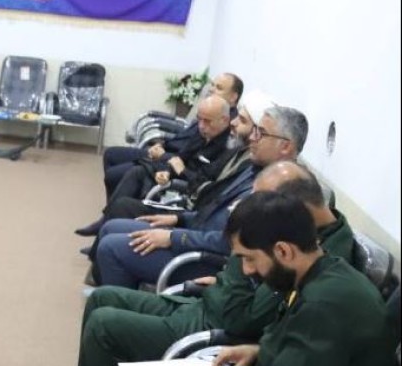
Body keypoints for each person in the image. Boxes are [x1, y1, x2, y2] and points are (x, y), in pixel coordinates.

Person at [67, 161, 357, 366]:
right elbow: (279, 331)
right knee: (104, 306)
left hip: (218, 330)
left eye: (260, 203)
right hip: (222, 322)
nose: (253, 210)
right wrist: (259, 350)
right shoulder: (309, 257)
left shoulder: (314, 275)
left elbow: (241, 318)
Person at [105, 191, 398, 366]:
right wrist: (260, 351)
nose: (246, 271)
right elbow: (312, 360)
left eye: (249, 259)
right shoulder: (325, 272)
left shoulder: (324, 305)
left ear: (283, 251)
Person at [90, 101, 309, 289]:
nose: (252, 137)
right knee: (111, 227)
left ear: (285, 146)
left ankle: (119, 307)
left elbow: (232, 243)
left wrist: (173, 237)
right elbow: (216, 207)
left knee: (111, 248)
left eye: (261, 133)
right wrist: (178, 219)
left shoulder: (282, 187)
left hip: (208, 260)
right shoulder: (254, 168)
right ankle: (119, 296)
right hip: (196, 234)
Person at [76, 95, 232, 237]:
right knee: (136, 172)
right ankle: (106, 220)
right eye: (199, 119)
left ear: (224, 120)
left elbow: (204, 186)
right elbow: (180, 157)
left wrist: (181, 171)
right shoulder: (202, 133)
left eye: (207, 121)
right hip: (173, 173)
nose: (202, 126)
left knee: (121, 200)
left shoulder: (227, 149)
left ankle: (107, 222)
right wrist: (168, 172)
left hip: (187, 193)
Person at [90, 72, 242, 209]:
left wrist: (165, 157)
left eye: (219, 88)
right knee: (111, 155)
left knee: (118, 174)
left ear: (233, 97)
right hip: (170, 156)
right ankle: (113, 209)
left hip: (171, 161)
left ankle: (113, 211)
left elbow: (197, 169)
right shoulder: (207, 114)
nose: (212, 89)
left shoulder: (223, 127)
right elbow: (185, 144)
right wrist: (160, 144)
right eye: (213, 85)